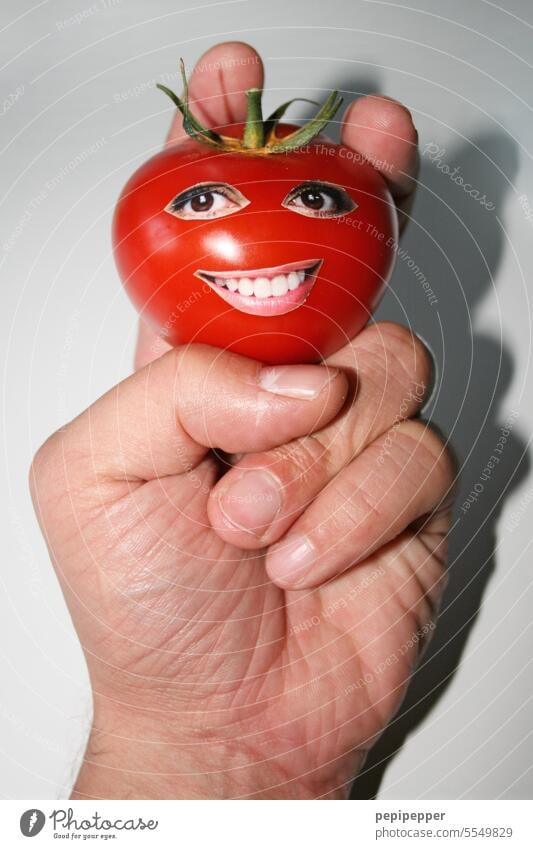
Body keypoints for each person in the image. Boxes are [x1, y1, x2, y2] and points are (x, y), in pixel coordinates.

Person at [30, 42, 456, 799]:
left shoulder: (359, 191)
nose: (265, 224)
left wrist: (233, 760)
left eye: (316, 201)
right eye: (199, 202)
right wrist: (189, 742)